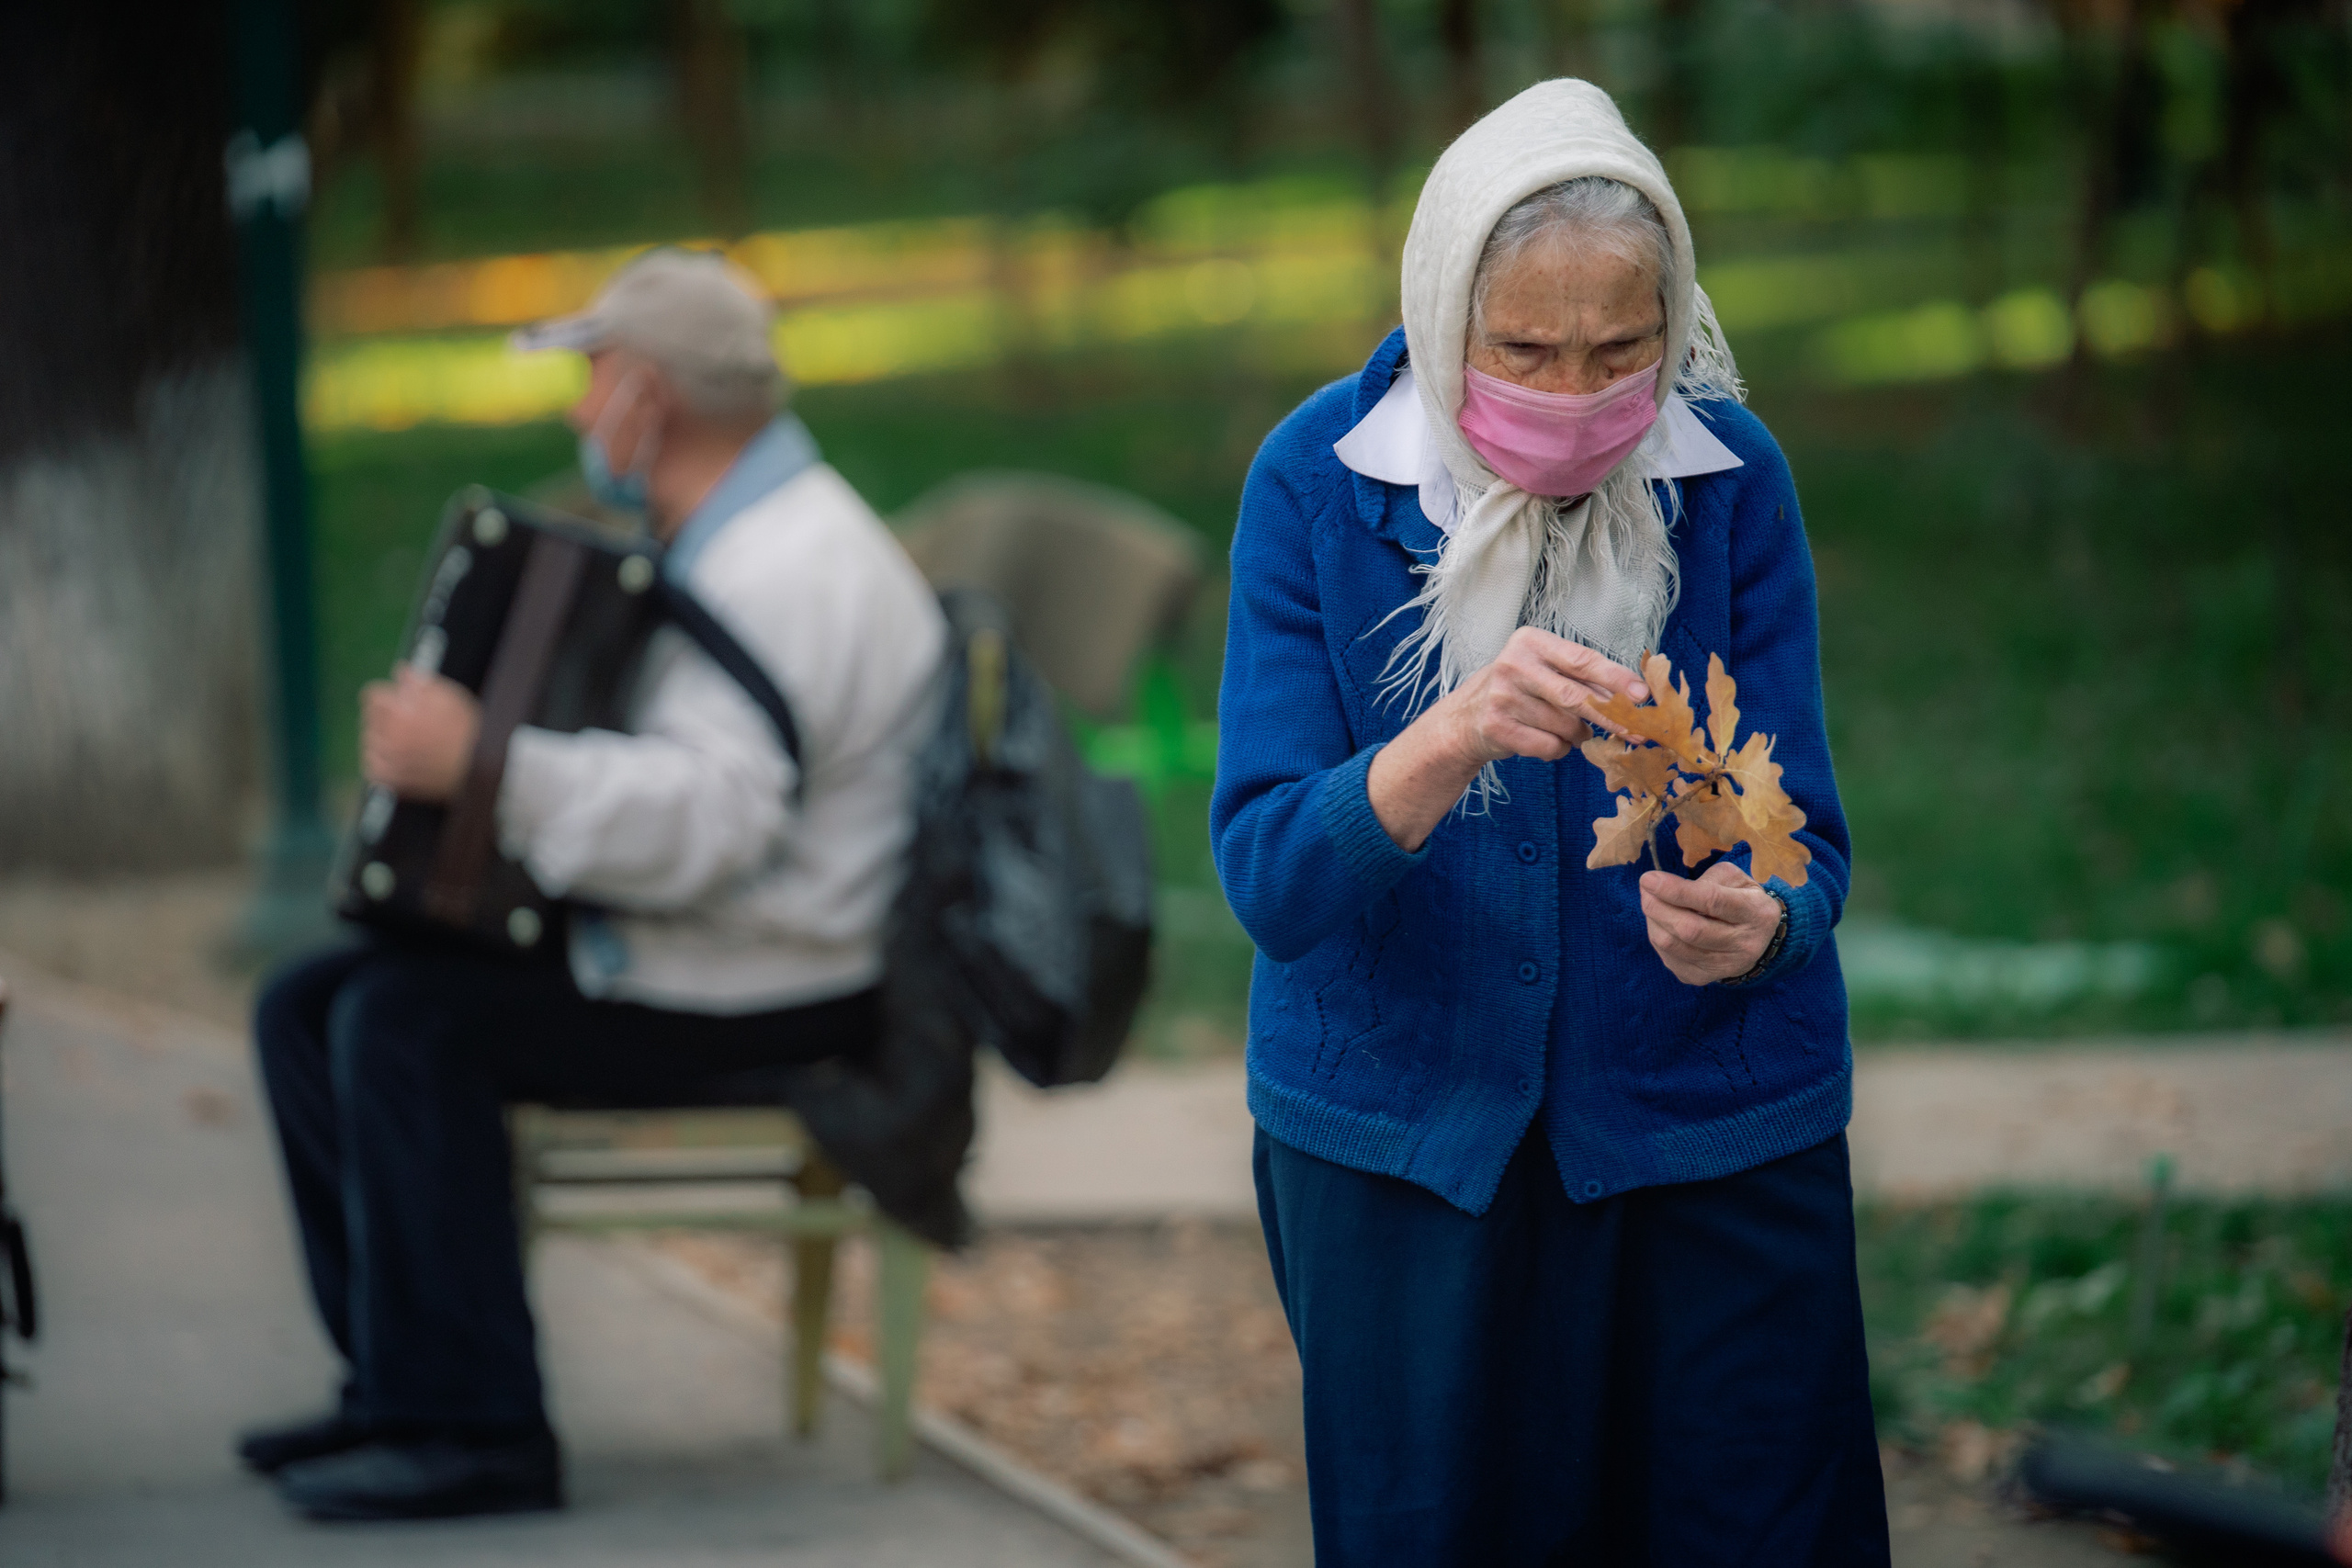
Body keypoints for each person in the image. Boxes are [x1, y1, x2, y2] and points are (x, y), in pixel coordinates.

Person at [1211, 81, 1889, 1563]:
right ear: (1446, 306)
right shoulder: (1319, 488)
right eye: (1524, 350)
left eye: (1621, 349)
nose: (1575, 392)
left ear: (1676, 320)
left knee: (1750, 1527)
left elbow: (1813, 852)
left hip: (1714, 1136)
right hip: (1406, 1146)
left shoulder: (1730, 484)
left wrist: (1768, 927)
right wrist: (1450, 732)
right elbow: (1269, 876)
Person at [242, 250, 946, 1521]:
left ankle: (479, 1431)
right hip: (722, 940)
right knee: (306, 1002)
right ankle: (399, 1390)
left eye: (593, 379)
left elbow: (716, 821)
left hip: (774, 977)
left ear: (649, 400)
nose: (578, 412)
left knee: (401, 1021)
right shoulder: (750, 529)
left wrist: (486, 767)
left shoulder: (788, 566)